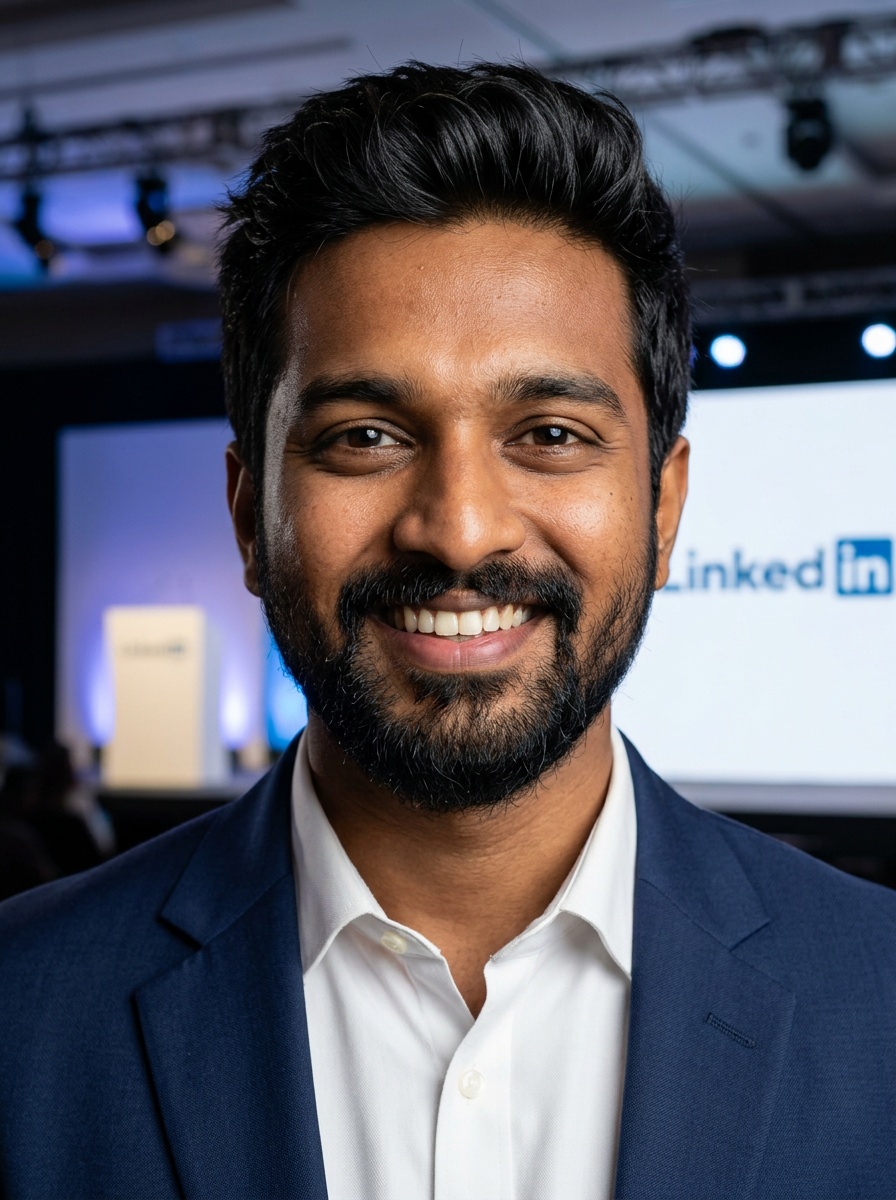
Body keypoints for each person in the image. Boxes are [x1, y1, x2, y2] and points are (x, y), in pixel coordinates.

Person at [0, 62, 893, 1200]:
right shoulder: (24, 1014)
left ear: (663, 510)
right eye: (366, 437)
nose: (459, 530)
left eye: (552, 434)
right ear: (247, 514)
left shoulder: (879, 1000)